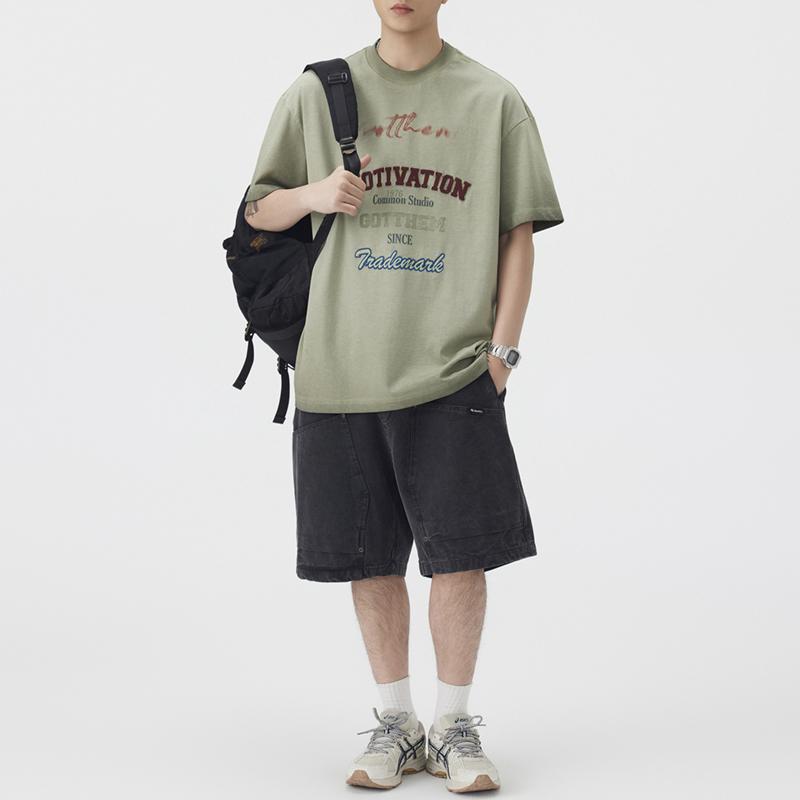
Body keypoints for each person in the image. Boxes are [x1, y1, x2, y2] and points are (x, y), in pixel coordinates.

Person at [243, 0, 563, 792]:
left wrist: (501, 354)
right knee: (369, 557)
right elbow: (255, 212)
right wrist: (314, 194)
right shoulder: (318, 92)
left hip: (453, 367)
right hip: (340, 367)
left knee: (462, 555)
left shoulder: (493, 100)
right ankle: (396, 721)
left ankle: (453, 726)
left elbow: (517, 233)